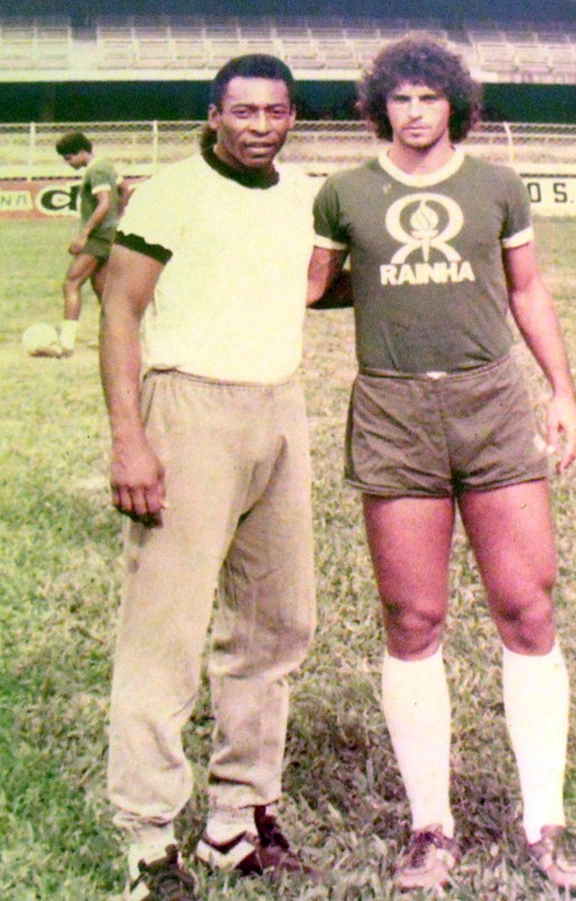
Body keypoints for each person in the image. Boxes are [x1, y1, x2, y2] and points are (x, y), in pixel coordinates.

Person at [308, 37, 576, 892]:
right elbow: (314, 284)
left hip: (491, 403)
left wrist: (563, 391)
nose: (415, 112)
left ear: (456, 104)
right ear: (377, 107)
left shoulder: (495, 184)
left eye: (430, 96)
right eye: (399, 99)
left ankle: (545, 819)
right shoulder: (344, 192)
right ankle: (431, 827)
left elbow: (525, 289)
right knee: (411, 618)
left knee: (528, 606)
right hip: (395, 407)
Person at [99, 54, 317, 901]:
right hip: (189, 406)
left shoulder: (302, 196)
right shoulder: (170, 191)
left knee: (275, 623)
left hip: (278, 406)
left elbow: (309, 284)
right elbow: (122, 308)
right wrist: (130, 439)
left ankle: (238, 814)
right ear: (215, 115)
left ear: (291, 115)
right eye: (244, 112)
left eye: (275, 111)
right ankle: (149, 837)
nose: (260, 125)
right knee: (167, 624)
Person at [54, 131, 128, 356]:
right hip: (110, 233)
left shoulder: (95, 170)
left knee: (71, 282)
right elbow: (124, 190)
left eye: (69, 158)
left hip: (98, 236)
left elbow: (104, 202)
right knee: (102, 288)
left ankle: (66, 343)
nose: (68, 164)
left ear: (81, 152)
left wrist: (84, 233)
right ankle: (114, 340)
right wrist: (119, 218)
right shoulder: (106, 165)